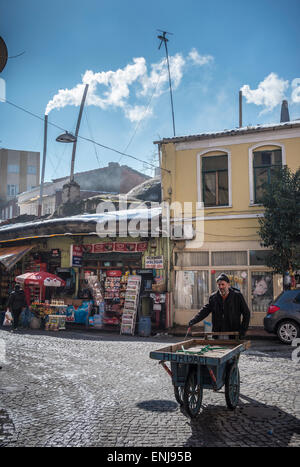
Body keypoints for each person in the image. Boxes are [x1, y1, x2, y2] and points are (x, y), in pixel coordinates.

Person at [188, 273, 250, 339]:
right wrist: (193, 321)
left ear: (228, 285)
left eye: (223, 284)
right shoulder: (213, 297)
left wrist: (243, 330)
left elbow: (247, 313)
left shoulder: (237, 296)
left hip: (233, 333)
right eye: (219, 285)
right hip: (217, 333)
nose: (221, 287)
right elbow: (205, 311)